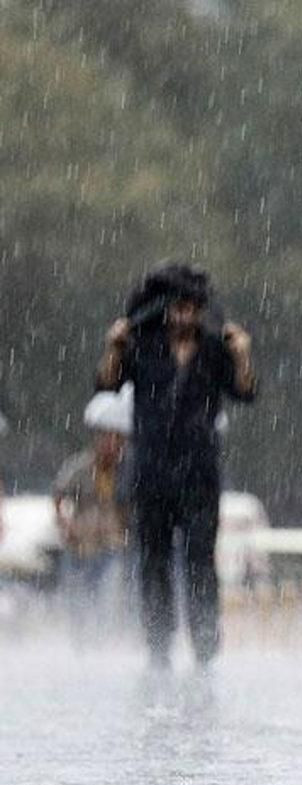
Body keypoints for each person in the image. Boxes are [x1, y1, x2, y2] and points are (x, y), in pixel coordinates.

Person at [96, 262, 256, 670]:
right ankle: (158, 645)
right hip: (150, 470)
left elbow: (246, 392)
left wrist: (242, 356)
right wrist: (114, 346)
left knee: (201, 558)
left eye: (193, 308)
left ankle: (205, 644)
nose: (186, 316)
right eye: (178, 308)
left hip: (200, 471)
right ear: (165, 309)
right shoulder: (140, 345)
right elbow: (105, 384)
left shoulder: (216, 348)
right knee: (153, 560)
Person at [52, 395, 131, 646]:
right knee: (78, 605)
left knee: (107, 601)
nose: (110, 443)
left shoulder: (127, 471)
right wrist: (65, 524)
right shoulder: (81, 467)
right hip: (80, 547)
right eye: (105, 437)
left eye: (115, 438)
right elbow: (58, 494)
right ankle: (81, 647)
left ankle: (103, 645)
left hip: (111, 547)